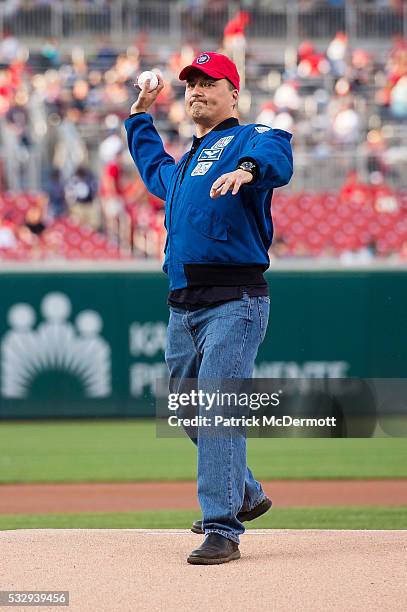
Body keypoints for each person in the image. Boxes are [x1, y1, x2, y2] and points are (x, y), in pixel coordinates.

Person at [125, 52, 293, 565]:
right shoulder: (189, 164)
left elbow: (277, 154)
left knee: (220, 408)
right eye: (191, 84)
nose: (196, 90)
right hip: (183, 307)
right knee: (185, 409)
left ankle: (223, 527)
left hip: (234, 303)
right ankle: (243, 490)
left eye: (208, 82)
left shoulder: (250, 138)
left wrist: (247, 169)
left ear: (233, 93)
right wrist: (139, 117)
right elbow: (155, 170)